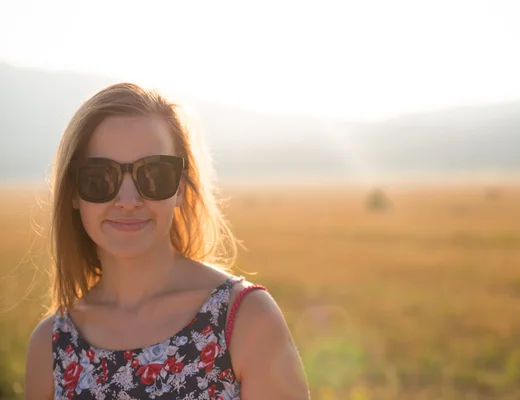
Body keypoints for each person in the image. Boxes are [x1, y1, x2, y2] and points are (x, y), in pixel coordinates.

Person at [24, 83, 311, 399]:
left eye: (154, 174)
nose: (129, 200)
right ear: (74, 192)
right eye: (100, 177)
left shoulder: (246, 320)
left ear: (180, 189)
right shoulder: (50, 347)